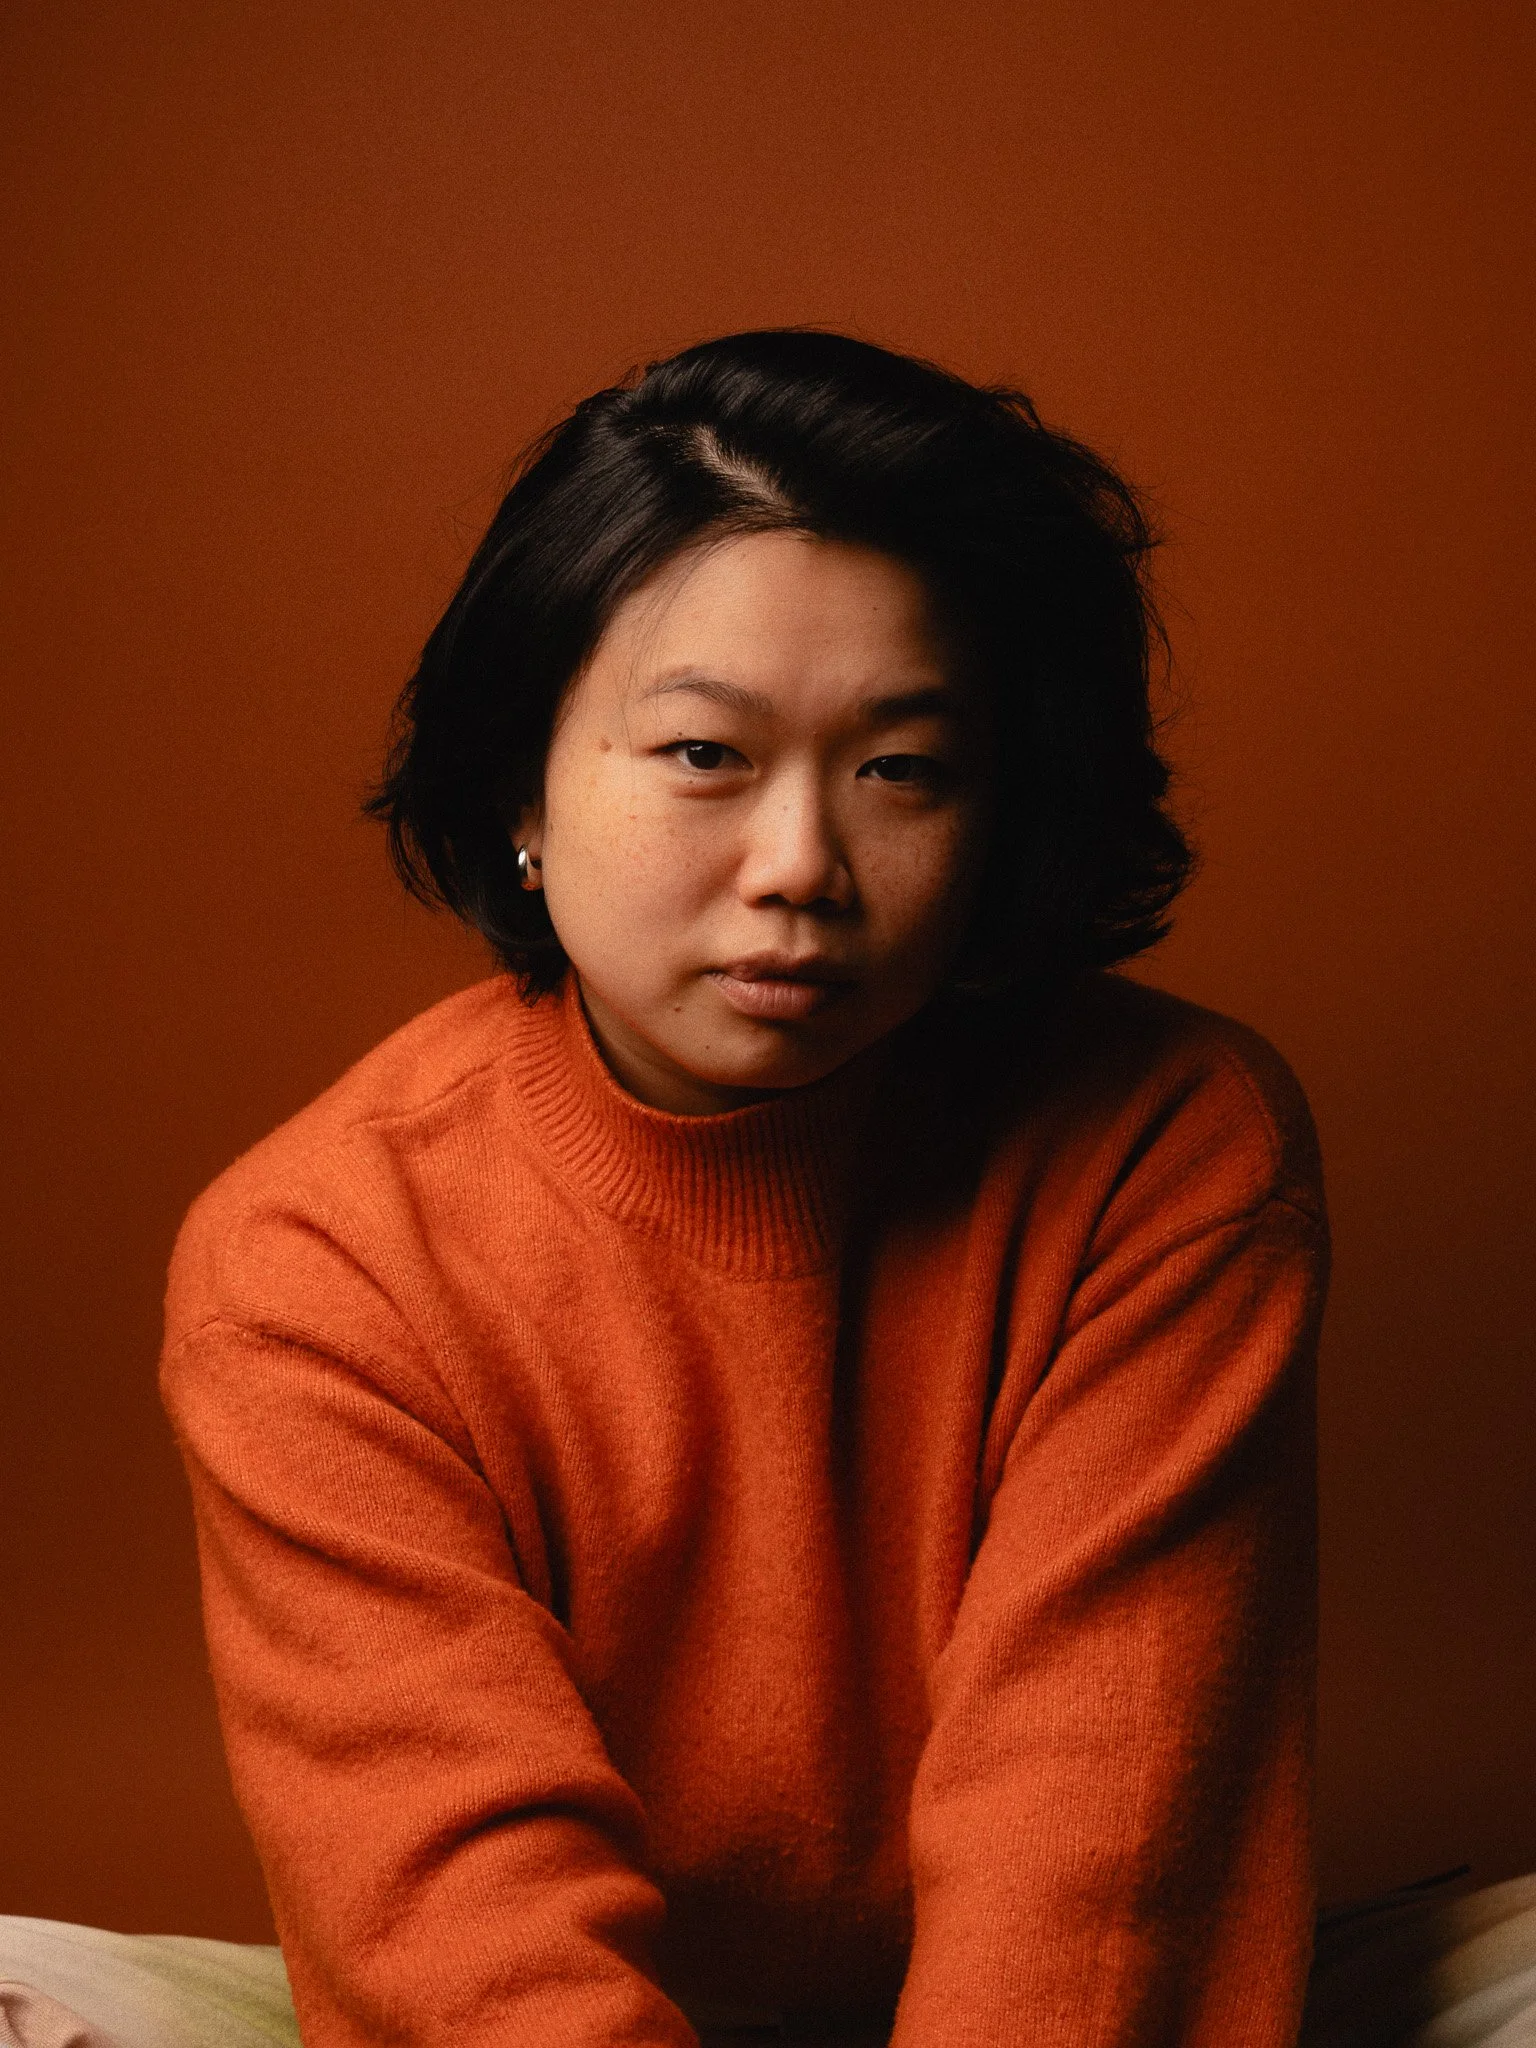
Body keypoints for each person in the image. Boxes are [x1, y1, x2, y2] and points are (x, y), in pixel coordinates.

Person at [10, 331, 1336, 2047]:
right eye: (706, 756)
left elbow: (1101, 1856)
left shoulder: (1167, 1142)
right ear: (522, 792)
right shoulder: (314, 1262)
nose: (802, 867)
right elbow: (457, 1936)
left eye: (904, 771)